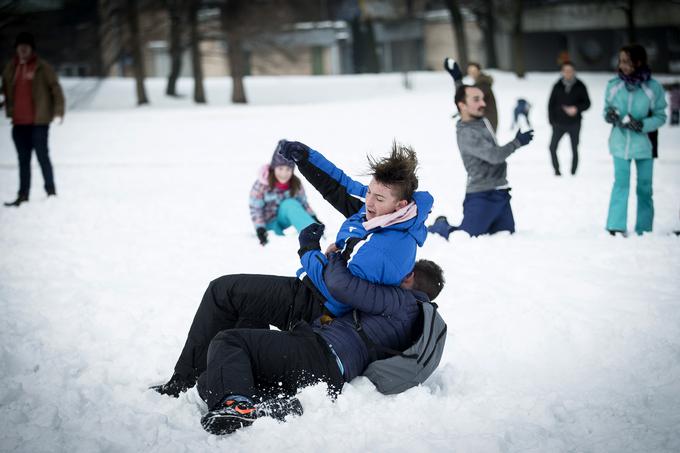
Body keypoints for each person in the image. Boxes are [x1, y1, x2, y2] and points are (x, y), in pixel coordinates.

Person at [152, 141, 433, 396]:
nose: (368, 202)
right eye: (369, 192)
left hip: (322, 308)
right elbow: (340, 186)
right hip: (313, 292)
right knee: (235, 301)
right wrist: (307, 158)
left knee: (224, 292)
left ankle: (193, 383)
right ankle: (212, 377)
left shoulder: (387, 248)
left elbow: (340, 294)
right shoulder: (385, 213)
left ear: (402, 204)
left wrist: (309, 249)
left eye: (378, 198)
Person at [198, 247, 445, 435]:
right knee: (210, 380)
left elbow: (346, 288)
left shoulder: (401, 302)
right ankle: (273, 406)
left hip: (319, 353)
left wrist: (335, 256)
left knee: (228, 341)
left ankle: (236, 405)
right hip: (329, 375)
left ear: (409, 276)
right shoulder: (416, 319)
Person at [428, 64, 534, 239]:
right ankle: (440, 226)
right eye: (477, 100)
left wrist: (457, 80)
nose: (483, 104)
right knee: (462, 237)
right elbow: (494, 155)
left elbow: (463, 99)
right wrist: (517, 142)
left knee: (506, 236)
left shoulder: (480, 119)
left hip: (501, 192)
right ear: (462, 106)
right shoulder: (466, 133)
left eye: (482, 99)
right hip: (481, 196)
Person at [604, 44, 666, 237]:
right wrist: (611, 116)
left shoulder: (653, 88)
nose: (622, 65)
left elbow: (660, 116)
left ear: (638, 62)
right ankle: (615, 225)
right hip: (619, 143)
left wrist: (642, 124)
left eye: (627, 61)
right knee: (620, 183)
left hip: (645, 145)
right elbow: (606, 110)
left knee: (645, 187)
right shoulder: (614, 85)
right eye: (621, 61)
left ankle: (644, 227)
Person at [2, 32, 64, 207]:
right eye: (20, 46)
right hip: (18, 123)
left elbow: (56, 89)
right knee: (23, 160)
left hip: (39, 122)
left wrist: (58, 111)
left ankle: (51, 192)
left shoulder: (42, 67)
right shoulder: (11, 68)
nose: (22, 50)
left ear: (31, 49)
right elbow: (4, 89)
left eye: (26, 46)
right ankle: (23, 195)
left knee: (42, 156)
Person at [249, 140, 318, 245]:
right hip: (268, 223)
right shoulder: (262, 184)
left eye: (288, 169)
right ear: (273, 168)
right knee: (277, 242)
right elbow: (256, 209)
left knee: (290, 203)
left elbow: (303, 204)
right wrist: (260, 229)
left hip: (284, 219)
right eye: (280, 168)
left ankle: (311, 233)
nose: (284, 173)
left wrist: (313, 218)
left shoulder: (295, 183)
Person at [547, 61, 591, 176]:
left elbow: (587, 103)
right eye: (565, 70)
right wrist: (552, 121)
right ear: (562, 72)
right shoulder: (557, 86)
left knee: (574, 148)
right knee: (552, 147)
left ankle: (573, 172)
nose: (568, 73)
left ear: (574, 71)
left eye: (570, 70)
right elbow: (550, 104)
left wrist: (576, 108)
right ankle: (557, 171)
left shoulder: (580, 85)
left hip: (574, 123)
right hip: (558, 123)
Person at [466, 62, 498, 131]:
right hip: (483, 122)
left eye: (474, 71)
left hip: (487, 122)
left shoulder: (483, 84)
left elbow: (475, 98)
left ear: (479, 71)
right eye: (470, 71)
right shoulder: (479, 84)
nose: (472, 73)